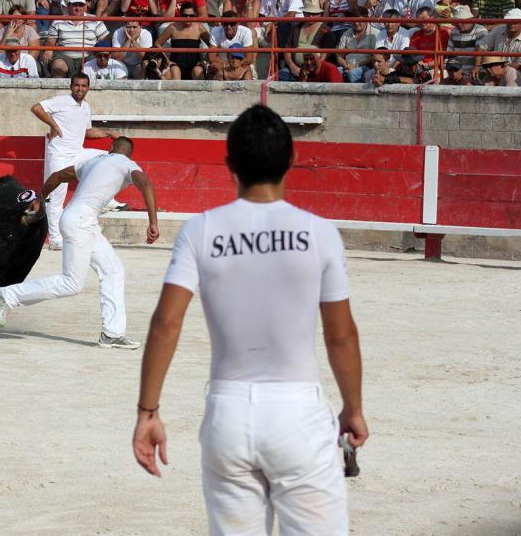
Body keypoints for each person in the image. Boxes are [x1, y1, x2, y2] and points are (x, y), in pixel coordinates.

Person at [133, 104, 367, 534]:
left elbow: (165, 323)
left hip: (229, 415)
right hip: (298, 413)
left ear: (229, 165)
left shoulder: (201, 229)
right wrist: (353, 407)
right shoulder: (319, 233)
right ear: (292, 160)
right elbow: (341, 337)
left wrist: (148, 411)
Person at [0, 135, 157, 348]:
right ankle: (8, 295)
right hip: (80, 221)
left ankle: (112, 333)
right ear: (129, 153)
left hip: (81, 220)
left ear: (110, 148)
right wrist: (153, 222)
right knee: (71, 283)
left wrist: (40, 199)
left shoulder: (92, 161)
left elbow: (58, 176)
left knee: (113, 270)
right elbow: (146, 184)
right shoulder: (127, 164)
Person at [29, 73, 120, 251]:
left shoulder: (85, 107)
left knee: (108, 159)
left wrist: (108, 132)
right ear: (71, 87)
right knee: (56, 198)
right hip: (59, 155)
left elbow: (87, 132)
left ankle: (107, 199)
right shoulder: (61, 101)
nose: (80, 89)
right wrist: (54, 125)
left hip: (78, 152)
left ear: (88, 88)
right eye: (77, 85)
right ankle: (55, 239)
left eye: (84, 86)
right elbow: (36, 108)